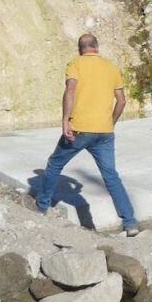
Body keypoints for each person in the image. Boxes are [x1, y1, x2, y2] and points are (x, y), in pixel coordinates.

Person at [35, 33, 140, 235]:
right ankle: (130, 222)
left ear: (80, 48)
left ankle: (41, 206)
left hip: (79, 129)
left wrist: (65, 119)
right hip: (105, 132)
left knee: (55, 164)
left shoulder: (75, 64)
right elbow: (122, 101)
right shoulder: (111, 67)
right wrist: (111, 122)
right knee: (111, 176)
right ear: (96, 47)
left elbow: (70, 92)